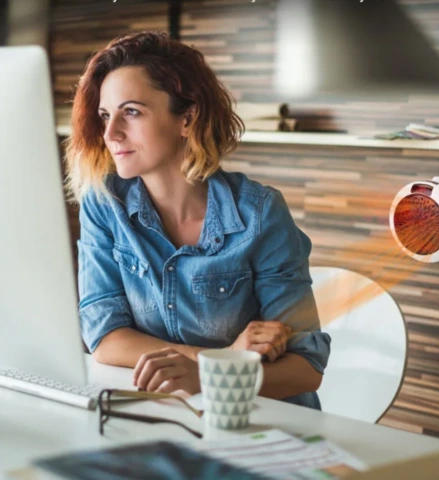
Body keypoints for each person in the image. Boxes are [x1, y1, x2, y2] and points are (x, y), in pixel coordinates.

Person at [65, 31, 331, 409]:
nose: (110, 133)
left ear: (187, 118)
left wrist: (207, 378)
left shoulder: (260, 213)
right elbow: (106, 339)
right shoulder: (104, 203)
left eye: (132, 112)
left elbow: (306, 367)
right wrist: (220, 358)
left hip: (264, 423)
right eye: (106, 115)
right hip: (170, 415)